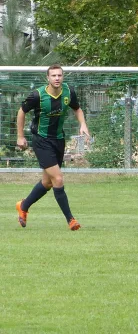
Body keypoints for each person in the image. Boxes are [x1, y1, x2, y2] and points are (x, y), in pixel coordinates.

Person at [15, 64, 90, 231]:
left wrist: (83, 124)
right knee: (58, 179)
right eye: (53, 75)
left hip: (58, 140)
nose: (57, 78)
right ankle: (71, 220)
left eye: (59, 75)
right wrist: (20, 136)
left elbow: (77, 109)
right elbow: (21, 112)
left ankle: (23, 205)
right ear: (47, 78)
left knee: (47, 182)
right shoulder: (37, 95)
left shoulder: (68, 92)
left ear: (63, 77)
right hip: (41, 140)